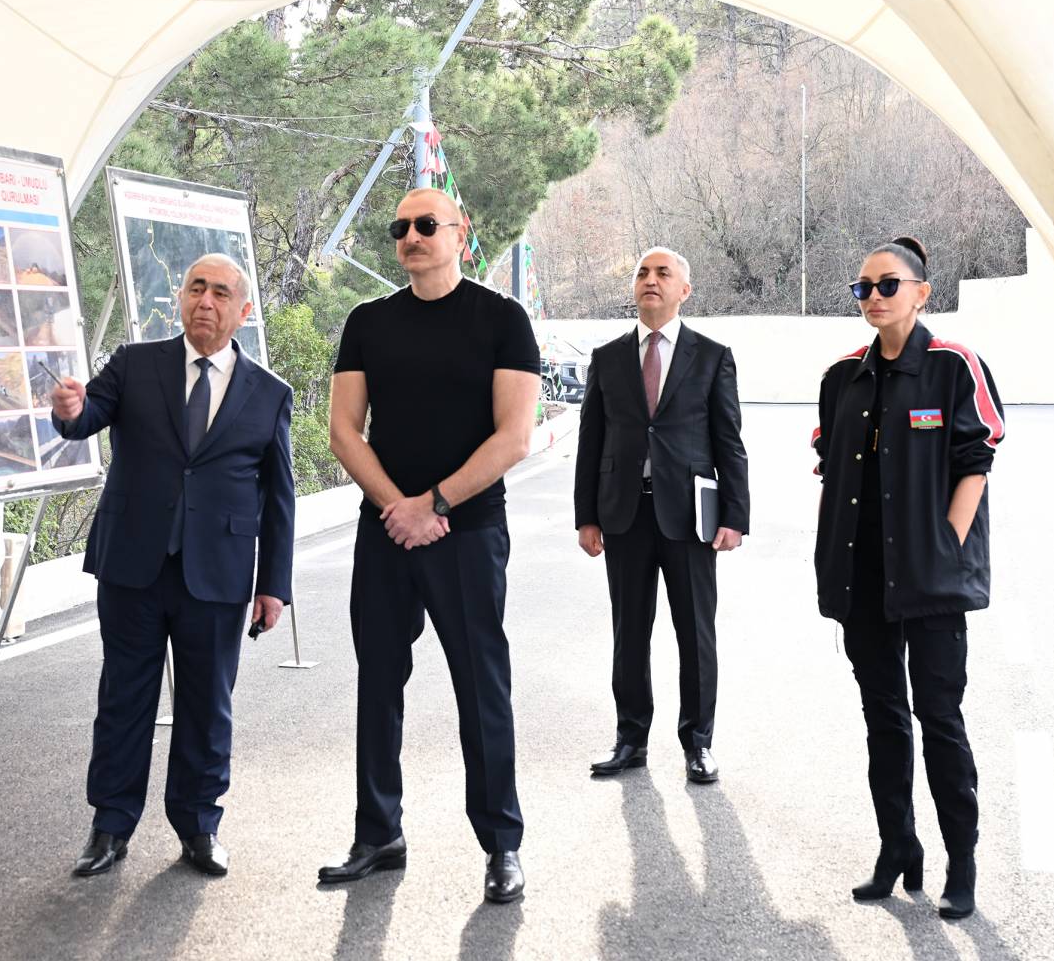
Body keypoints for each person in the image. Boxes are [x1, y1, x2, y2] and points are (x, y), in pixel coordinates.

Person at [319, 187, 540, 904]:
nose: (410, 236)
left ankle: (502, 845)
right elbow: (344, 431)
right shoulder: (367, 323)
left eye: (425, 225)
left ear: (460, 232)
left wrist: (437, 504)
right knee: (378, 685)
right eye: (400, 229)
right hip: (385, 531)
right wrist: (399, 508)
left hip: (468, 533)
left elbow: (514, 435)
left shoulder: (503, 321)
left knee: (482, 690)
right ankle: (377, 832)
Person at [49, 253, 295, 879]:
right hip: (133, 565)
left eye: (220, 293)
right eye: (194, 288)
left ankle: (199, 825)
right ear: (180, 298)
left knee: (207, 704)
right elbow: (84, 421)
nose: (204, 301)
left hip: (218, 574)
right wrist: (70, 410)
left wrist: (274, 586)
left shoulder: (269, 394)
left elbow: (280, 498)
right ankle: (109, 827)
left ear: (243, 311)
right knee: (123, 698)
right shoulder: (135, 365)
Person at [813, 236, 1004, 920]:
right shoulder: (842, 378)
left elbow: (974, 463)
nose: (872, 298)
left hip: (930, 581)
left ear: (922, 293)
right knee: (883, 720)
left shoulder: (954, 366)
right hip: (863, 581)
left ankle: (962, 862)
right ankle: (898, 849)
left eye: (886, 286)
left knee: (939, 719)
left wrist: (947, 545)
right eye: (862, 287)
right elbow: (834, 470)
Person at [573, 247, 750, 784]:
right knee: (630, 631)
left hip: (689, 516)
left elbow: (729, 441)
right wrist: (586, 516)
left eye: (662, 273)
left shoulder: (712, 355)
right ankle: (631, 739)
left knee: (695, 632)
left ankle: (698, 743)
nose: (650, 281)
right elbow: (591, 442)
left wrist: (735, 516)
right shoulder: (606, 358)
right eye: (642, 273)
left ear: (683, 290)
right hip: (624, 514)